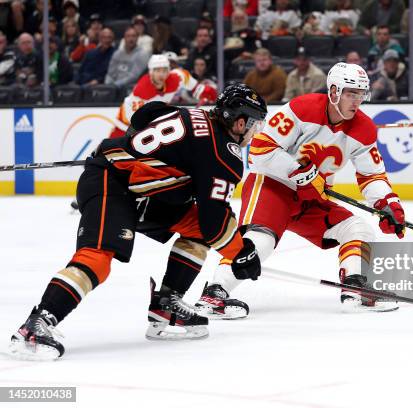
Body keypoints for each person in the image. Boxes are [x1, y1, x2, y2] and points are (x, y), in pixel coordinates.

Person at [9, 84, 268, 361]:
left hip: (139, 189)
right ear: (239, 121)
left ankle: (167, 305)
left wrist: (138, 149)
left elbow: (146, 113)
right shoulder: (223, 155)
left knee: (197, 229)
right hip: (113, 182)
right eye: (254, 125)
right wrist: (240, 254)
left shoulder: (192, 113)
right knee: (97, 258)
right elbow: (215, 222)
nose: (255, 132)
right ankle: (36, 325)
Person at [195, 62, 405, 319]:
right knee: (262, 241)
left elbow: (371, 174)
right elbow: (261, 149)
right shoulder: (302, 108)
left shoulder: (364, 129)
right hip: (273, 185)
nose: (357, 101)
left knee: (358, 229)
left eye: (361, 94)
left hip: (312, 197)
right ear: (334, 91)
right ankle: (214, 293)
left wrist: (387, 203)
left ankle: (354, 288)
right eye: (351, 93)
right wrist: (297, 169)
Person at [108, 54, 213, 138]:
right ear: (151, 72)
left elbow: (194, 86)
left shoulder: (177, 77)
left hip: (152, 115)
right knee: (113, 149)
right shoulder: (142, 90)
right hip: (126, 120)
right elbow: (136, 120)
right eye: (157, 71)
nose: (161, 74)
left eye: (164, 70)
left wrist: (206, 92)